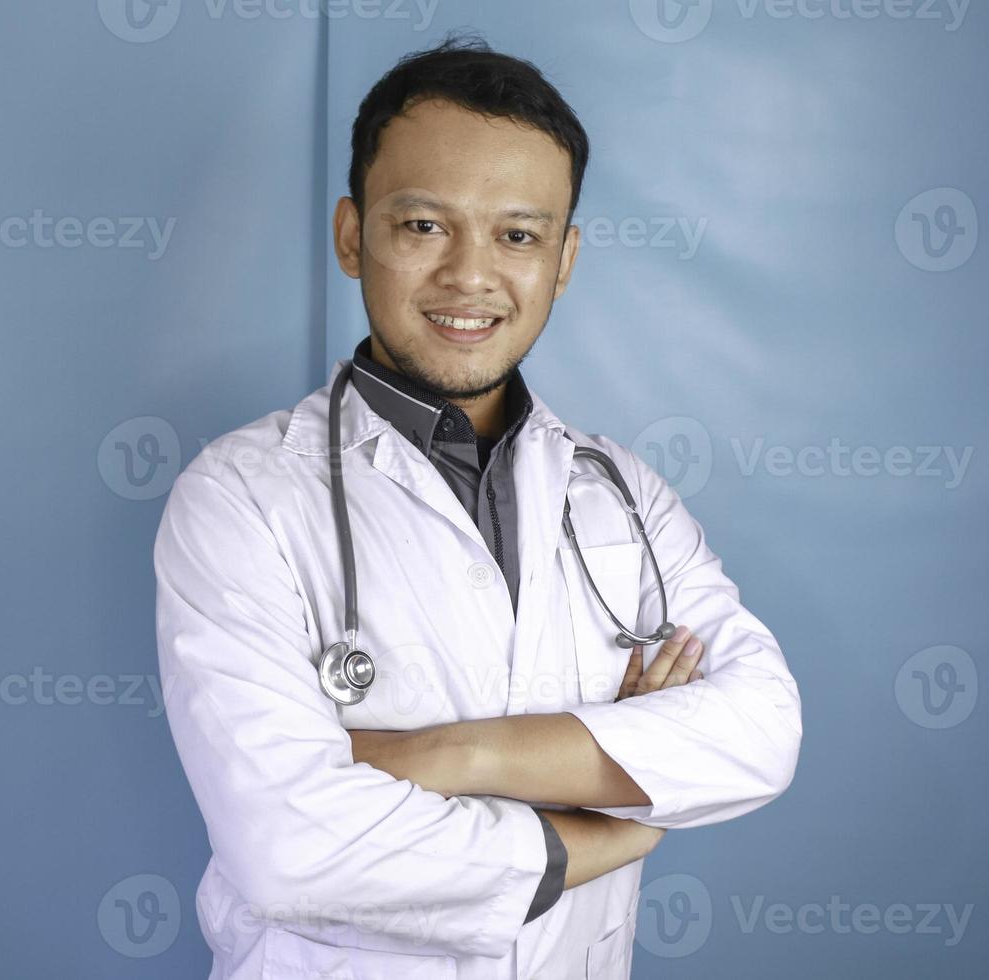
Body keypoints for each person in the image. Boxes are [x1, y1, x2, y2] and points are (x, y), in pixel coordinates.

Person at [154, 32, 803, 980]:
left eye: (518, 234)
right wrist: (605, 822)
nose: (470, 275)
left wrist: (445, 757)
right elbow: (290, 849)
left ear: (564, 258)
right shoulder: (241, 497)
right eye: (424, 226)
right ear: (351, 235)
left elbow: (760, 733)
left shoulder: (622, 495)